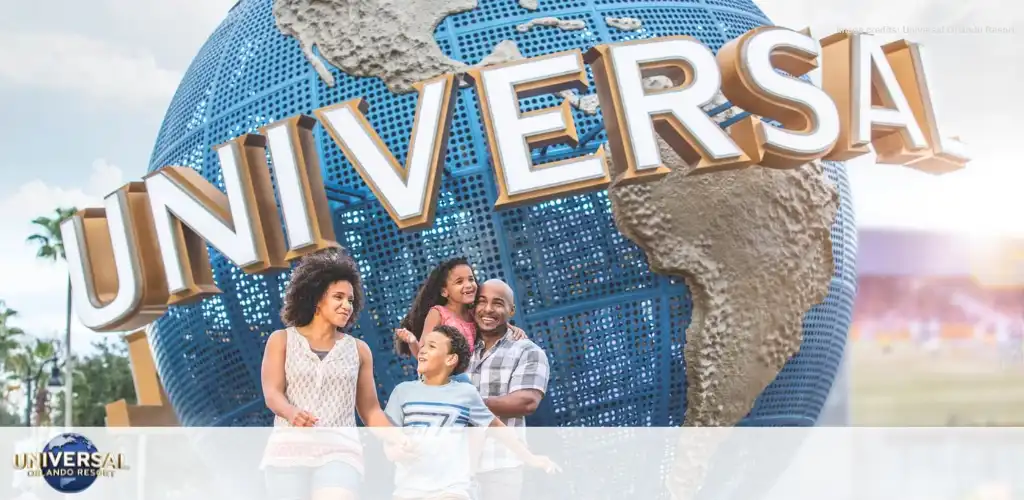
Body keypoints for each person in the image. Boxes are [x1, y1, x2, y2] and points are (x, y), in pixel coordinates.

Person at [260, 246, 406, 500]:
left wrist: (397, 437)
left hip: (341, 451)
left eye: (350, 300)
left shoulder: (359, 350)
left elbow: (370, 410)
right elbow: (272, 393)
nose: (346, 305)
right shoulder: (281, 340)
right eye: (338, 297)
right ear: (317, 298)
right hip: (287, 452)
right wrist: (292, 413)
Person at [384, 324, 558, 500]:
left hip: (452, 489)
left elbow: (497, 428)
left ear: (450, 359)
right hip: (408, 489)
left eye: (432, 346)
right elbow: (387, 433)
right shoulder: (402, 392)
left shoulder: (465, 393)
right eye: (423, 346)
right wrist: (392, 451)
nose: (422, 350)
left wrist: (531, 458)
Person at [469, 279, 550, 500]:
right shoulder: (458, 346)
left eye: (497, 303)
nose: (487, 309)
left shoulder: (528, 351)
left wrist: (468, 405)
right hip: (453, 466)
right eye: (481, 301)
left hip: (500, 466)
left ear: (511, 310)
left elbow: (526, 402)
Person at [394, 258, 524, 383]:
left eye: (471, 279)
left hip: (466, 379)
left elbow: (494, 320)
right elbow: (423, 353)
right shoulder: (438, 313)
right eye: (459, 282)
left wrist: (512, 328)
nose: (468, 285)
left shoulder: (473, 313)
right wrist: (412, 342)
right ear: (444, 292)